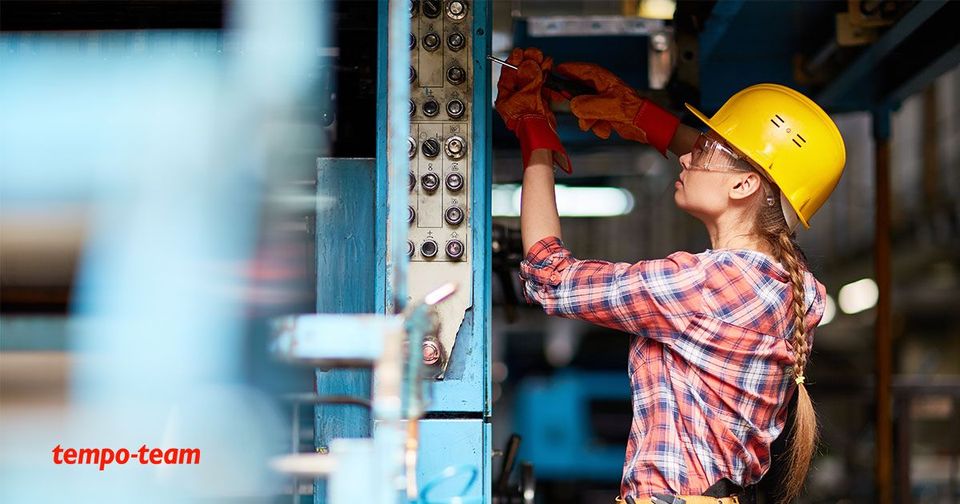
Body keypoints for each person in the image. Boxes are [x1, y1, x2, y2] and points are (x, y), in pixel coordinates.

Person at [494, 48, 846, 504]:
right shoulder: (790, 286)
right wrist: (643, 119)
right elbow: (748, 177)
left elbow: (550, 277)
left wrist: (535, 137)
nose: (686, 159)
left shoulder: (705, 286)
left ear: (744, 185)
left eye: (706, 150)